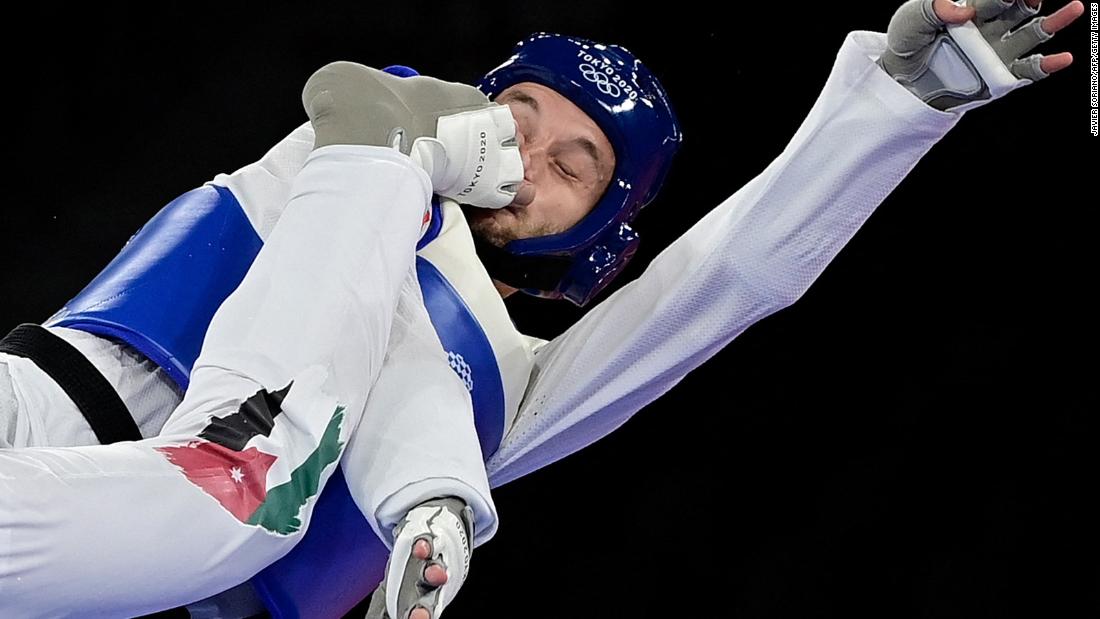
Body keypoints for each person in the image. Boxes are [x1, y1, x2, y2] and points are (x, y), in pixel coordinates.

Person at [0, 0, 1083, 617]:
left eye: (571, 164)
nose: (522, 157)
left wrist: (886, 110)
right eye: (515, 115)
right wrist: (430, 489)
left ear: (598, 232)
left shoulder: (509, 385)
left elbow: (726, 280)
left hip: (138, 590)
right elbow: (372, 317)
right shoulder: (360, 146)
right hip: (40, 413)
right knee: (240, 493)